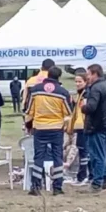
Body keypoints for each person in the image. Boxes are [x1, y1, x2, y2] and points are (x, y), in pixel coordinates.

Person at [25, 66, 72, 195]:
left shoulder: (35, 90)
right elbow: (68, 111)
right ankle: (57, 187)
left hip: (39, 128)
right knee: (57, 156)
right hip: (56, 128)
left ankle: (35, 186)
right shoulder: (62, 92)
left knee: (38, 157)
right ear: (59, 77)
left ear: (47, 75)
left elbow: (29, 110)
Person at [81, 64, 106, 191]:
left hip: (96, 125)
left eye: (88, 74)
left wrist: (82, 106)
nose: (87, 77)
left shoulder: (95, 88)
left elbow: (91, 107)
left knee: (97, 155)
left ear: (95, 74)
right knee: (102, 152)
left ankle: (97, 183)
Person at [66, 70, 89, 185]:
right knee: (82, 151)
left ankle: (83, 176)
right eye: (76, 81)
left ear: (86, 81)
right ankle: (83, 175)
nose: (77, 84)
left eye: (80, 81)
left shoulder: (85, 94)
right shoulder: (79, 94)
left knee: (84, 152)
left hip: (83, 126)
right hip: (79, 125)